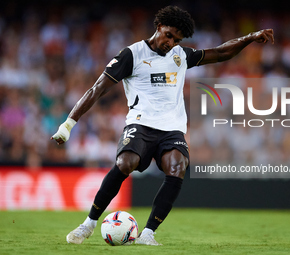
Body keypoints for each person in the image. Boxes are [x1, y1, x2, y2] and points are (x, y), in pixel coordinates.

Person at [51, 5, 274, 246]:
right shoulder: (131, 55)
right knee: (126, 163)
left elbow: (220, 53)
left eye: (176, 39)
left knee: (178, 166)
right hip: (141, 124)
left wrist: (249, 38)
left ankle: (148, 233)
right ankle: (89, 224)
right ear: (159, 27)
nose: (171, 43)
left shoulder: (180, 56)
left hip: (172, 129)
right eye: (169, 35)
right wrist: (68, 124)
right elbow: (97, 89)